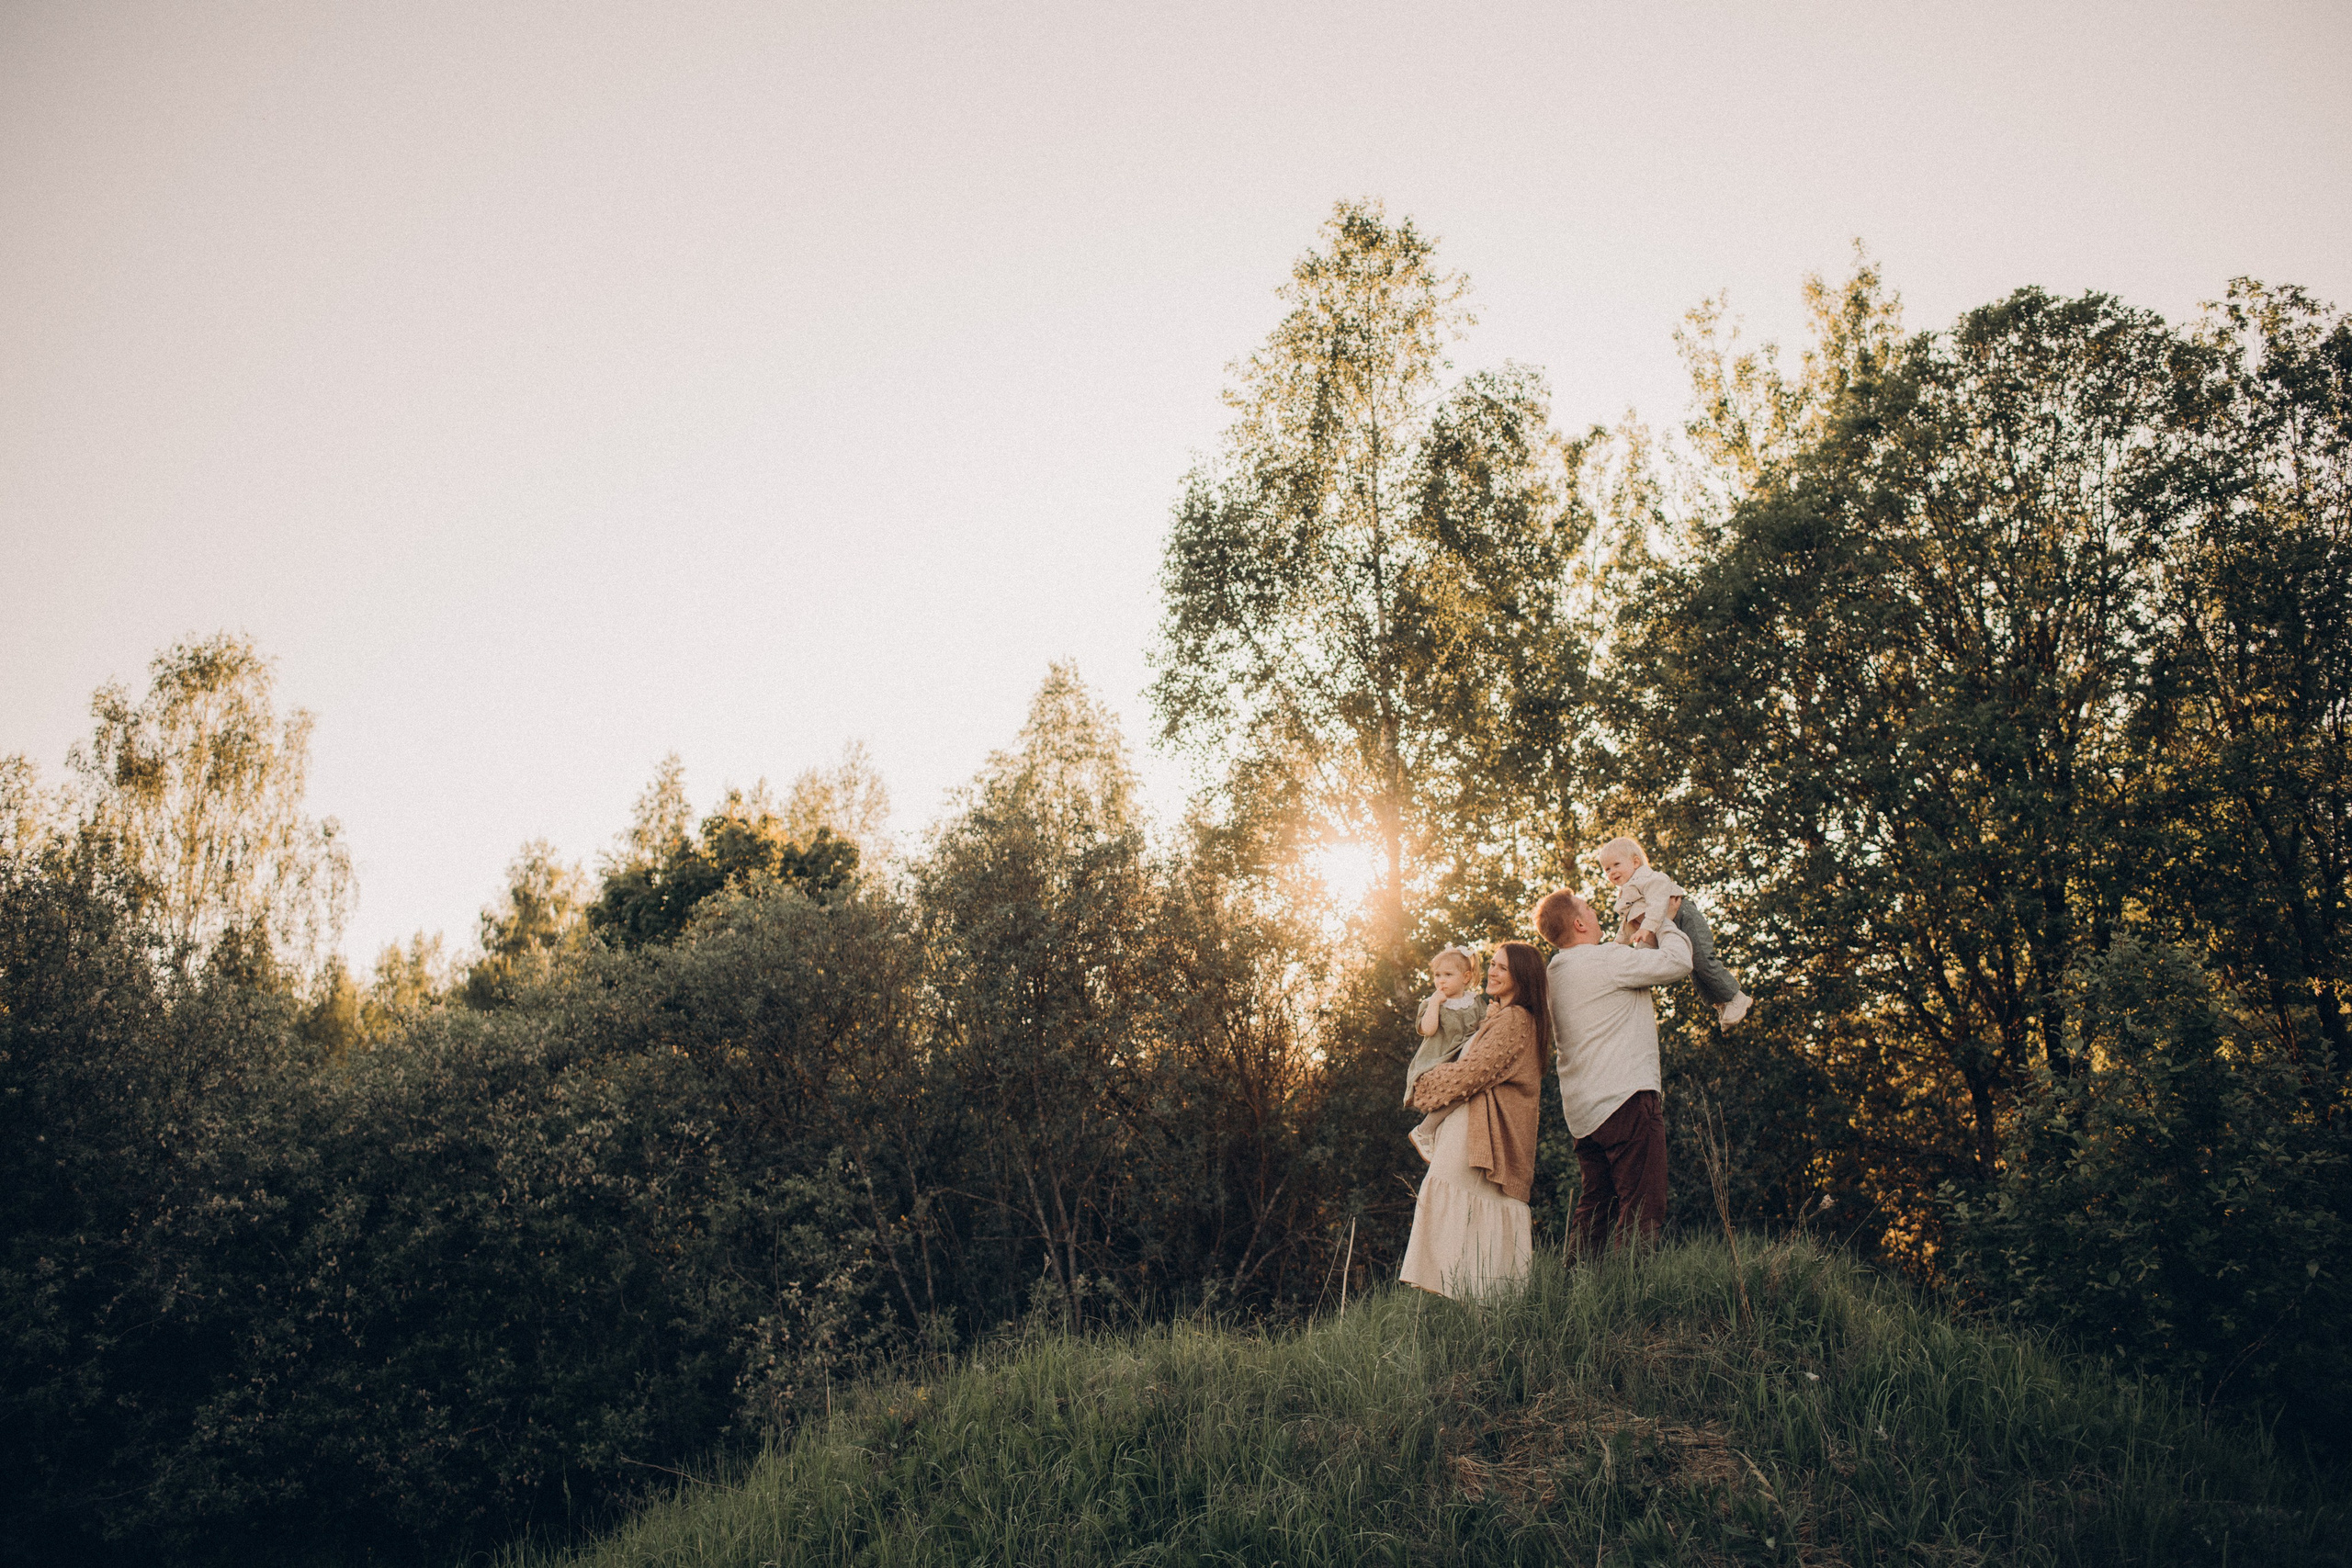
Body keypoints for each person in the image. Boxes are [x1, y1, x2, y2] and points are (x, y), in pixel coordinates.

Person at [1533, 887, 1689, 1253]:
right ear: (1578, 923)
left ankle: (1578, 1293)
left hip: (1585, 1113)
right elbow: (1679, 963)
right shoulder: (1607, 961)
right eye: (1588, 908)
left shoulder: (1555, 972)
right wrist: (1662, 919)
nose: (1596, 912)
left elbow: (1627, 966)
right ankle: (1631, 1300)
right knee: (1642, 1208)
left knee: (1596, 1208)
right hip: (1626, 1099)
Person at [1399, 942, 1549, 1299]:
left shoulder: (1515, 1019)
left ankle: (1485, 1306)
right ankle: (1475, 1309)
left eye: (1502, 968)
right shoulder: (1499, 1015)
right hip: (1469, 1125)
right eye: (1492, 965)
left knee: (1462, 1206)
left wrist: (1423, 1086)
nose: (1492, 973)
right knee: (1465, 1212)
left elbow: (1472, 1074)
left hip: (1479, 1129)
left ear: (1521, 977)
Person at [1595, 835, 1751, 1026]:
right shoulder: (1626, 892)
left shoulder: (1647, 878)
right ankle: (1720, 1001)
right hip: (1664, 924)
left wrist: (1646, 927)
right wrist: (1618, 944)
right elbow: (1627, 921)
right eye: (1607, 869)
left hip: (1683, 915)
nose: (1612, 872)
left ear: (1635, 862)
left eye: (1616, 864)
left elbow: (1658, 901)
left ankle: (1735, 996)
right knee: (1690, 964)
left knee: (1701, 958)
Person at [1404, 945, 1488, 1160]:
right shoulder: (1431, 1003)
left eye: (1448, 975)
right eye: (1437, 975)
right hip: (1436, 1062)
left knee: (1475, 1087)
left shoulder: (1475, 1002)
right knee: (1462, 1088)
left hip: (1463, 1062)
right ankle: (1424, 1130)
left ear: (1466, 977)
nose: (1441, 981)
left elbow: (1484, 1028)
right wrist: (1434, 1003)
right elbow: (1429, 1029)